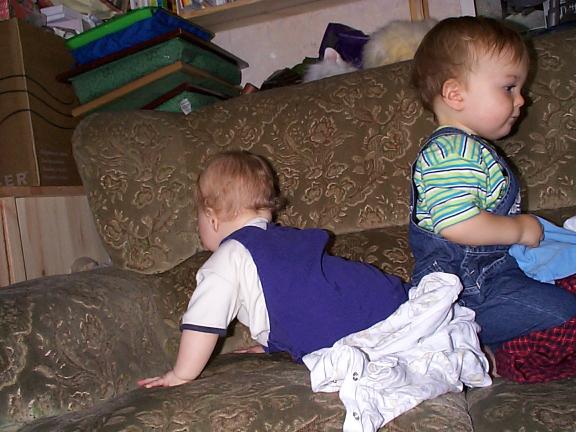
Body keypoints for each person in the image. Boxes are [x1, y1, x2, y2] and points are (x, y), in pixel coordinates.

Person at [138, 150, 409, 388]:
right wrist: (273, 343)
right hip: (382, 297)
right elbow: (297, 299)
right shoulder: (284, 240)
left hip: (361, 326)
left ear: (211, 218)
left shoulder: (228, 256)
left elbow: (203, 323)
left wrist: (182, 374)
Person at [408, 16, 576, 351]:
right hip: (466, 287)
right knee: (563, 310)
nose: (521, 100)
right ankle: (451, 334)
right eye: (509, 88)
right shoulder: (452, 152)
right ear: (455, 94)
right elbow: (457, 225)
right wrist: (519, 229)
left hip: (491, 273)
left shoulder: (471, 150)